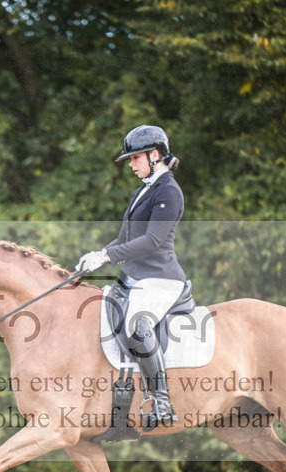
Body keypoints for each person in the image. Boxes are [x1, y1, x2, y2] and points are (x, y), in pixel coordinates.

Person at [76, 124, 187, 429]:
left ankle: (161, 401)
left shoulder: (168, 191)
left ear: (155, 154)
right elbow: (126, 238)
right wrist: (99, 253)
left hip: (160, 278)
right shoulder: (144, 190)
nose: (131, 165)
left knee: (138, 325)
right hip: (135, 277)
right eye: (130, 159)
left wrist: (108, 256)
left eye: (135, 158)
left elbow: (152, 241)